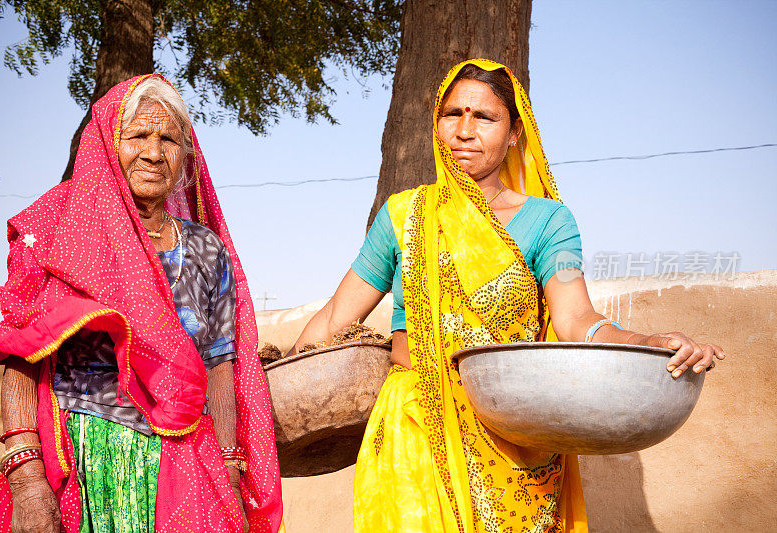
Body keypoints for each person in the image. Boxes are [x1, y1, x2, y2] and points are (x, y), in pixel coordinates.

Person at [289, 58, 726, 532]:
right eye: (452, 113)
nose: (464, 130)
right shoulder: (404, 215)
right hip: (416, 433)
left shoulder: (548, 222)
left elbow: (576, 317)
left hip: (516, 440)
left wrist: (647, 342)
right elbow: (335, 316)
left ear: (515, 132)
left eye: (484, 117)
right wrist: (267, 392)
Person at [0, 74, 283, 533]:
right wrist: (27, 479)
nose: (154, 152)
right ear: (107, 142)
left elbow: (220, 367)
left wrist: (230, 469)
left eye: (169, 138)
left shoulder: (205, 249)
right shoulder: (62, 229)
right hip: (86, 459)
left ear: (186, 155)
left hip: (187, 458)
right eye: (138, 135)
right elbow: (23, 349)